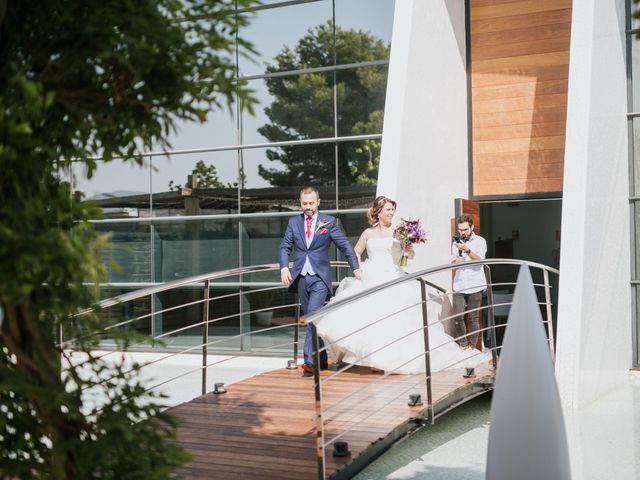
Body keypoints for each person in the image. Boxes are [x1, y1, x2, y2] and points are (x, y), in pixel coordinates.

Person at [313, 196, 486, 374]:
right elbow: (356, 252)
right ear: (378, 211)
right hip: (371, 277)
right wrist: (357, 270)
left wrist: (408, 249)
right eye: (388, 209)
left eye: (393, 210)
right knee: (371, 320)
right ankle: (372, 358)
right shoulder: (368, 233)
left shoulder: (399, 231)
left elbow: (409, 257)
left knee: (392, 320)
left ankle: (387, 360)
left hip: (393, 277)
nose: (391, 213)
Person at [279, 186, 361, 376]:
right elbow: (284, 247)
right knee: (312, 320)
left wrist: (355, 267)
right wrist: (284, 267)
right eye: (304, 204)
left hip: (319, 279)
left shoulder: (329, 222)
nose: (307, 207)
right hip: (300, 278)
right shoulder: (293, 223)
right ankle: (321, 359)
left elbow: (345, 246)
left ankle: (309, 361)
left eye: (311, 203)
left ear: (318, 202)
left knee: (311, 319)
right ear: (301, 203)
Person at [451, 214, 488, 349]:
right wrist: (456, 261)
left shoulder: (480, 241)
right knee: (458, 317)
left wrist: (467, 250)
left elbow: (480, 261)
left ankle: (472, 347)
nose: (462, 232)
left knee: (473, 318)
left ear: (472, 227)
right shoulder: (455, 243)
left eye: (465, 229)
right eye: (460, 230)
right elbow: (453, 263)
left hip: (475, 284)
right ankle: (463, 344)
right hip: (459, 284)